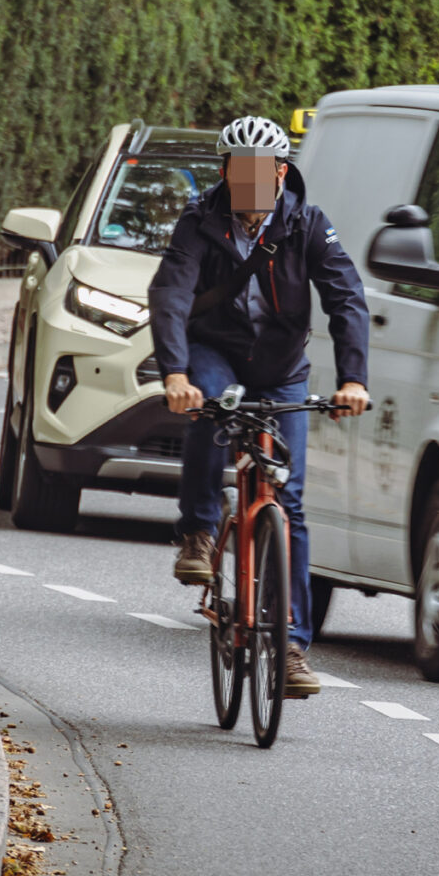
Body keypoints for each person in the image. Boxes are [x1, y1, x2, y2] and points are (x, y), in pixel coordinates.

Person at [147, 114, 370, 698]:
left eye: (261, 170)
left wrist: (353, 380)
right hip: (214, 349)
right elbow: (171, 293)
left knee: (288, 500)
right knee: (213, 404)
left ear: (279, 171)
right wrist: (175, 372)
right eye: (238, 169)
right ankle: (198, 531)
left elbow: (346, 298)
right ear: (225, 171)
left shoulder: (308, 225)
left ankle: (291, 645)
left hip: (281, 366)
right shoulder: (199, 222)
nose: (250, 180)